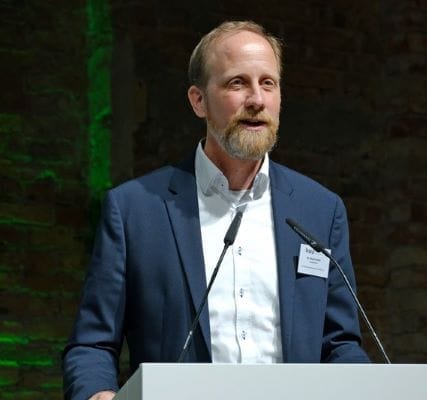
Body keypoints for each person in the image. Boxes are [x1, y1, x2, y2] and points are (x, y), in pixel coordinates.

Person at [62, 20, 370, 400]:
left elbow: (339, 344)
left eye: (268, 83)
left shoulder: (319, 210)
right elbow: (92, 345)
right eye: (237, 83)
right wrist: (97, 394)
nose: (257, 99)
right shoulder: (135, 210)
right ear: (199, 101)